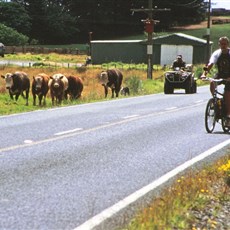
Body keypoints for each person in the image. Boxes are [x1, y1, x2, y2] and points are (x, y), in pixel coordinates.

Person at [201, 36, 230, 126]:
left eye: (225, 44)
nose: (223, 45)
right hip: (221, 74)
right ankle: (214, 101)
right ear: (219, 44)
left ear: (227, 44)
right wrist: (204, 74)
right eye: (221, 44)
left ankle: (228, 115)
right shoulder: (217, 53)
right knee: (212, 82)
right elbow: (210, 64)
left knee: (227, 94)